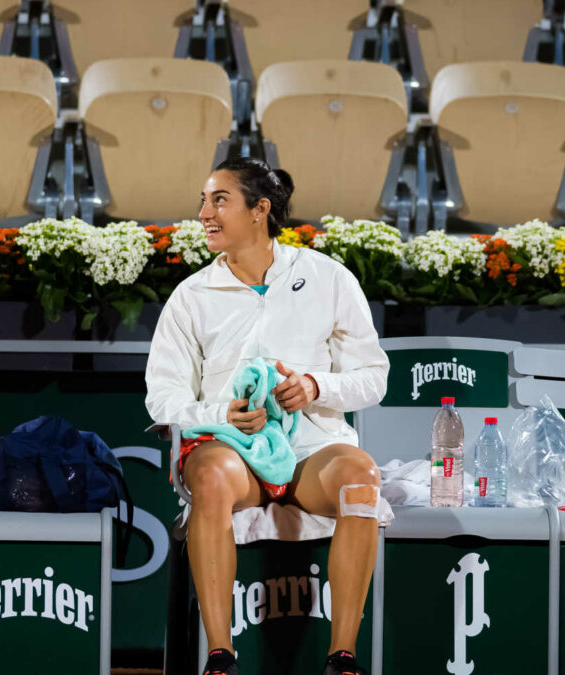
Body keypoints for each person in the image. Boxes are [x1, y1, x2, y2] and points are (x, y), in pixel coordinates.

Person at [145, 157, 391, 675]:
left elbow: (374, 376)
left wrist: (316, 385)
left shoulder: (327, 277)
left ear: (260, 210)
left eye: (220, 200)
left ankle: (342, 658)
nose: (205, 213)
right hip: (231, 448)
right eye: (203, 202)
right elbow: (162, 398)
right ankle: (220, 657)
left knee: (362, 480)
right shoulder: (190, 296)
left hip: (312, 446)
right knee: (210, 477)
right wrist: (223, 413)